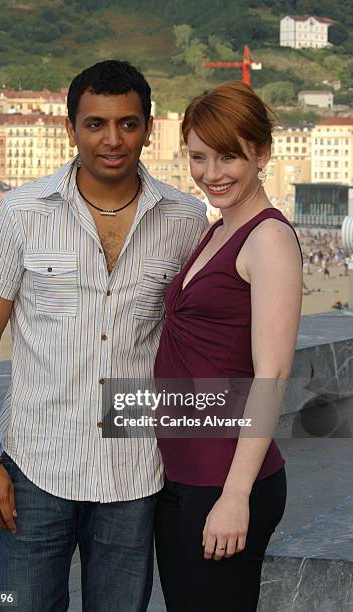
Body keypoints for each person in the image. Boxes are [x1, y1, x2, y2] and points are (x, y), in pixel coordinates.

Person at [0, 60, 208, 612]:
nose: (112, 140)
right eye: (95, 124)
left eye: (127, 123)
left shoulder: (186, 218)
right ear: (71, 128)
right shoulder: (21, 212)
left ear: (148, 127)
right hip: (35, 464)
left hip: (136, 469)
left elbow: (197, 339)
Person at [154, 81, 303, 611]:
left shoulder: (268, 239)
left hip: (225, 480)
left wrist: (235, 496)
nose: (211, 173)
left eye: (229, 156)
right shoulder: (216, 229)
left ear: (261, 153)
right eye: (198, 156)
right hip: (184, 474)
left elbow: (273, 375)